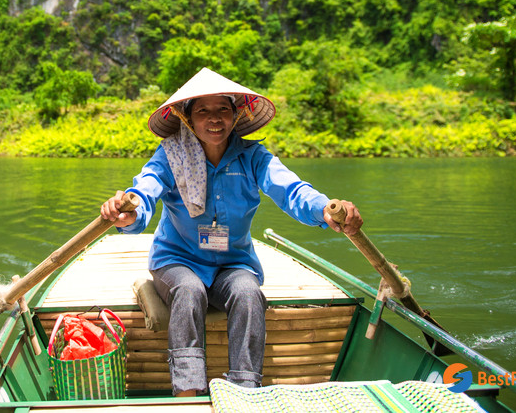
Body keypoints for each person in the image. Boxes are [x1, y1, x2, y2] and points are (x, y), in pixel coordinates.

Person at [100, 67, 363, 396]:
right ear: (187, 118)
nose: (214, 118)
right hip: (178, 260)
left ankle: (245, 392)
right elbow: (145, 190)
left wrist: (324, 209)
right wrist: (130, 212)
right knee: (189, 289)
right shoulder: (171, 156)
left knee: (248, 293)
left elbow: (291, 190)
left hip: (232, 263)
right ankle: (187, 395)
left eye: (223, 109)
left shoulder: (254, 158)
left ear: (236, 114)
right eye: (203, 111)